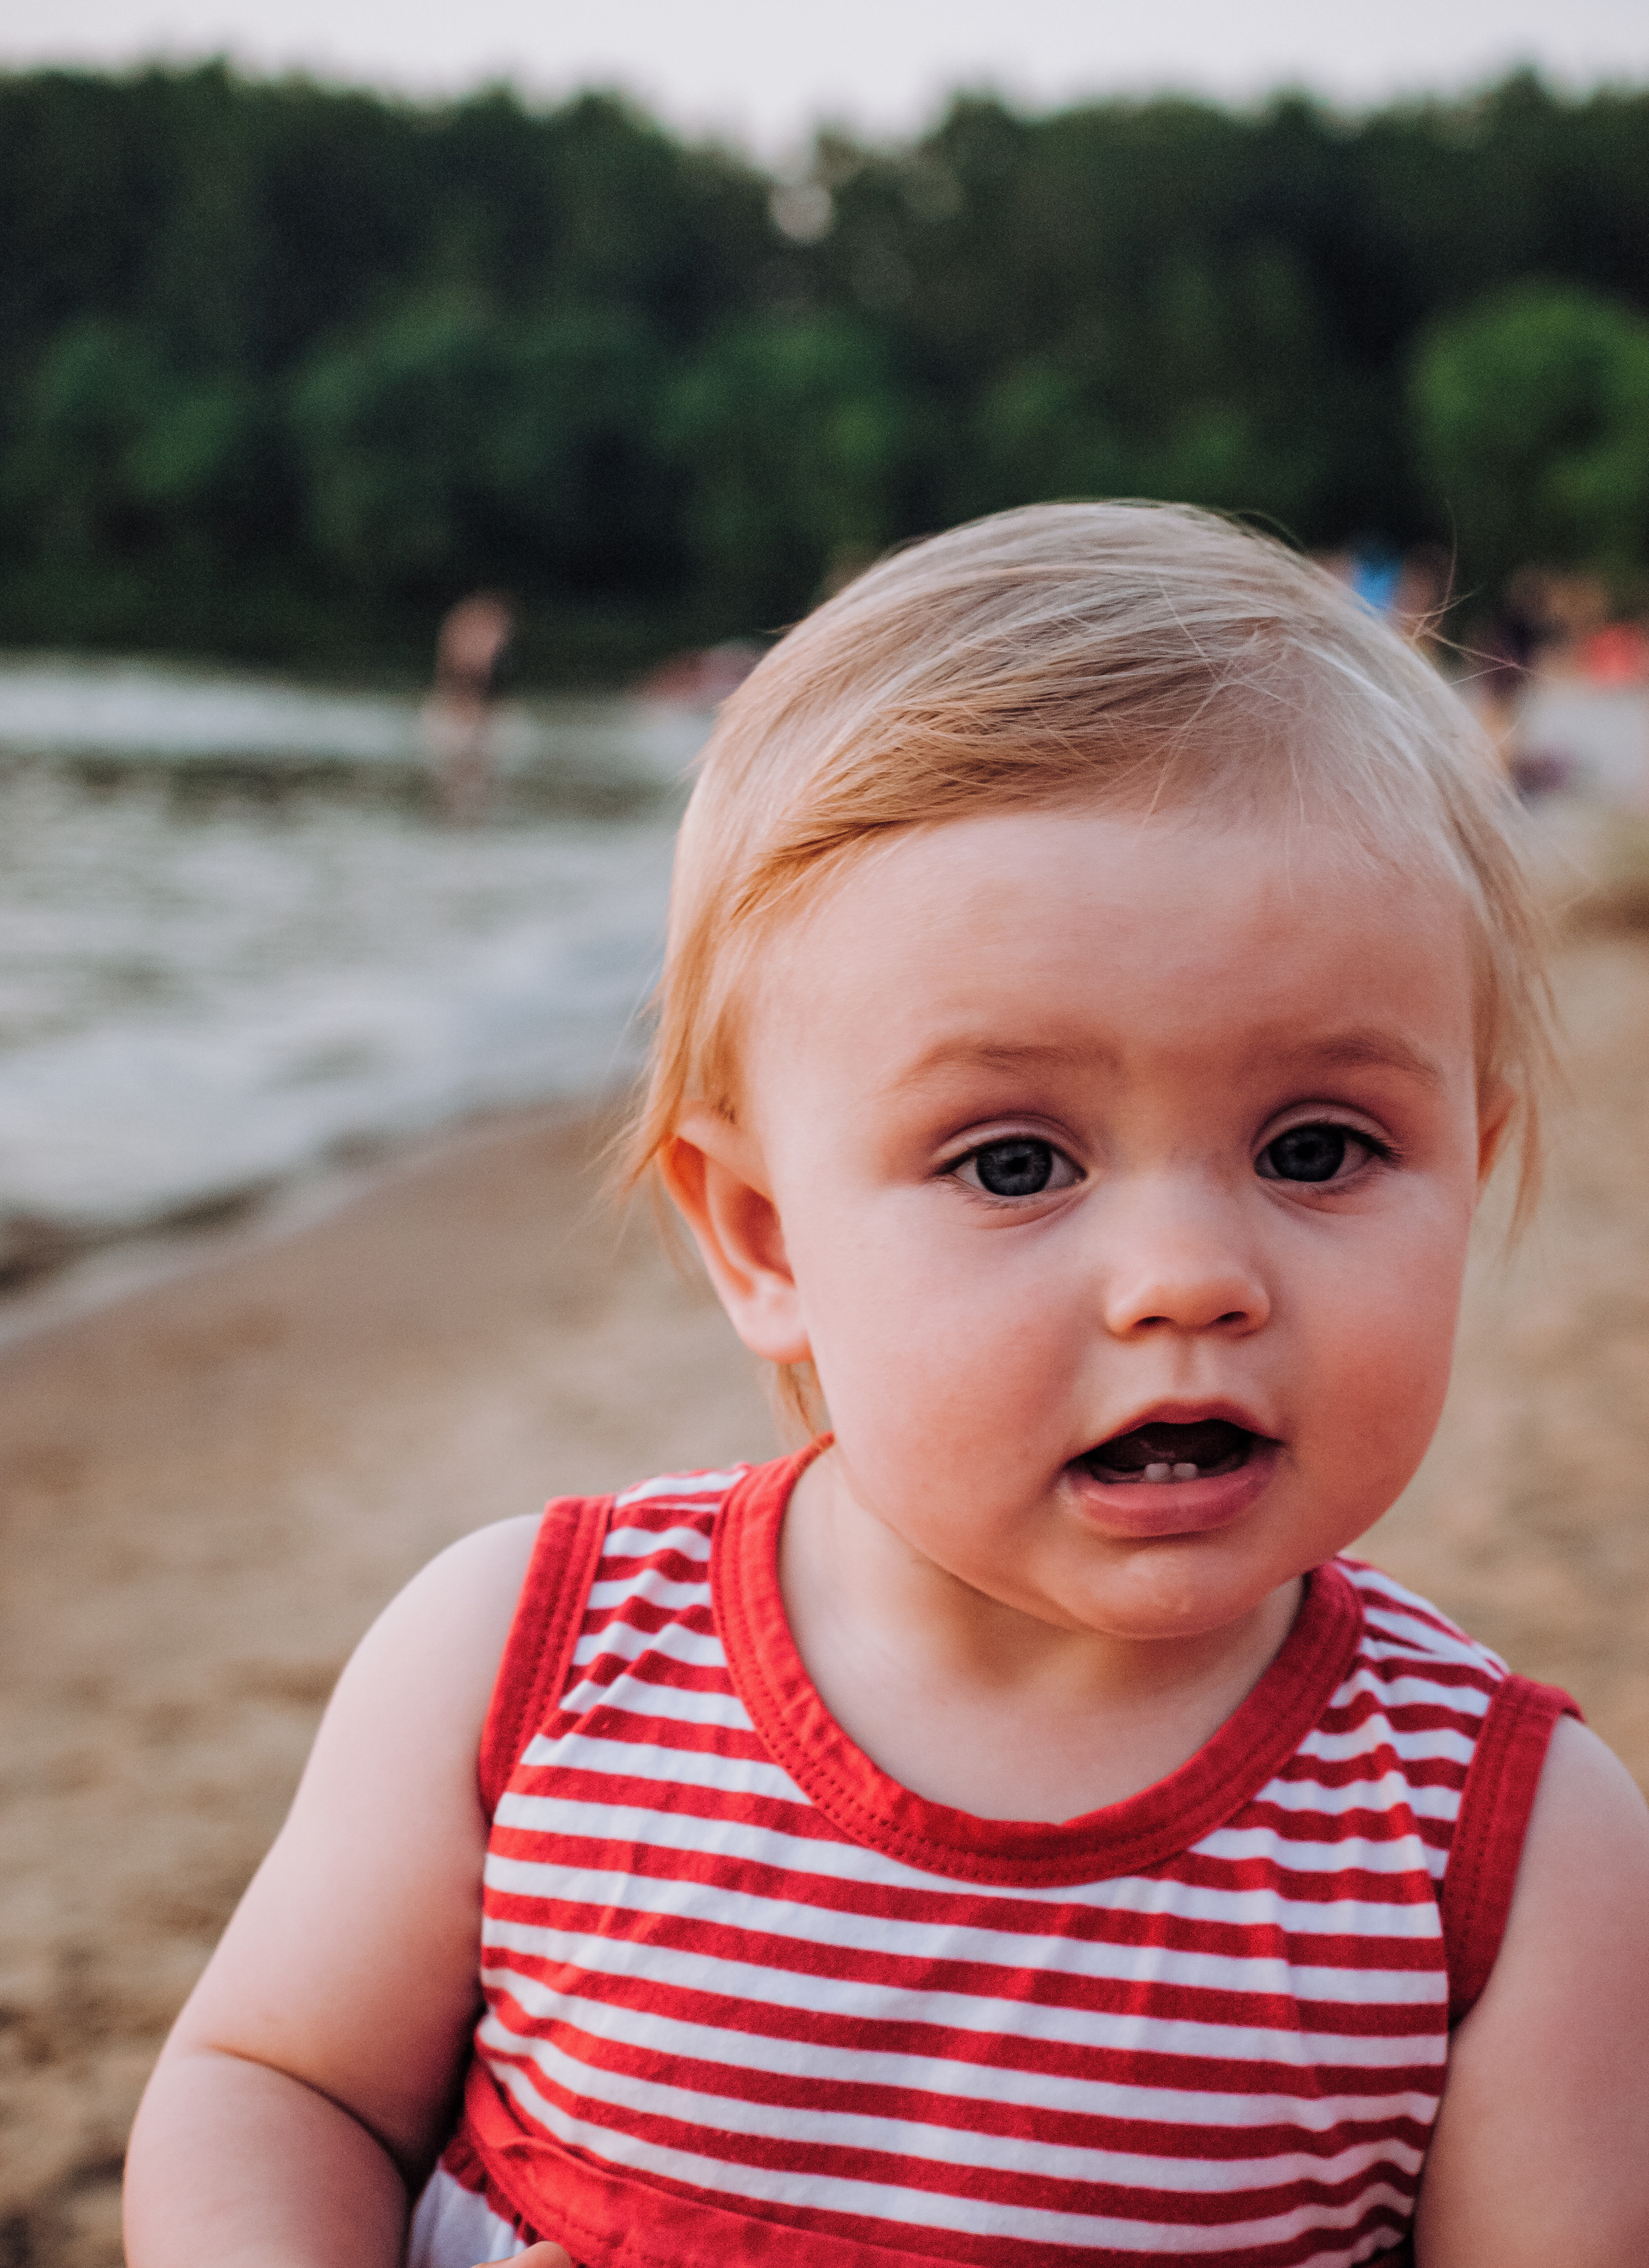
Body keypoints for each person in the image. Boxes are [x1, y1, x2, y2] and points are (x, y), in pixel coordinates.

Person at [124, 504, 1649, 2268]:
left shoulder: (1504, 1856)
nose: (1187, 1275)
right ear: (764, 1236)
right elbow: (278, 2083)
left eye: (1318, 1145)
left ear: (1472, 1166)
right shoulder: (525, 1663)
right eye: (1013, 1162)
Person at [423, 591, 518, 822]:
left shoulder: (512, 726)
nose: (490, 652)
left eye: (495, 640)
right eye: (476, 639)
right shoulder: (433, 725)